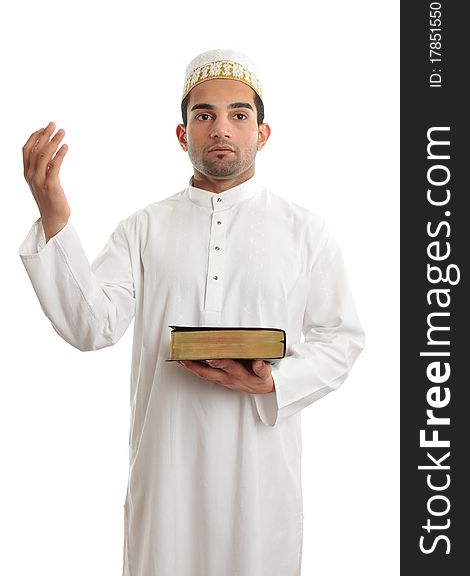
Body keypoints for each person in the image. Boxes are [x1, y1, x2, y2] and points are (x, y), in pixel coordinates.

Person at [19, 49, 365, 576]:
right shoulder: (144, 228)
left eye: (238, 115)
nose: (220, 128)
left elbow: (341, 338)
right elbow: (92, 326)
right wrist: (55, 218)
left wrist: (273, 382)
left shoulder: (305, 231)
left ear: (262, 133)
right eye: (204, 115)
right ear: (183, 135)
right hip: (166, 479)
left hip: (260, 479)